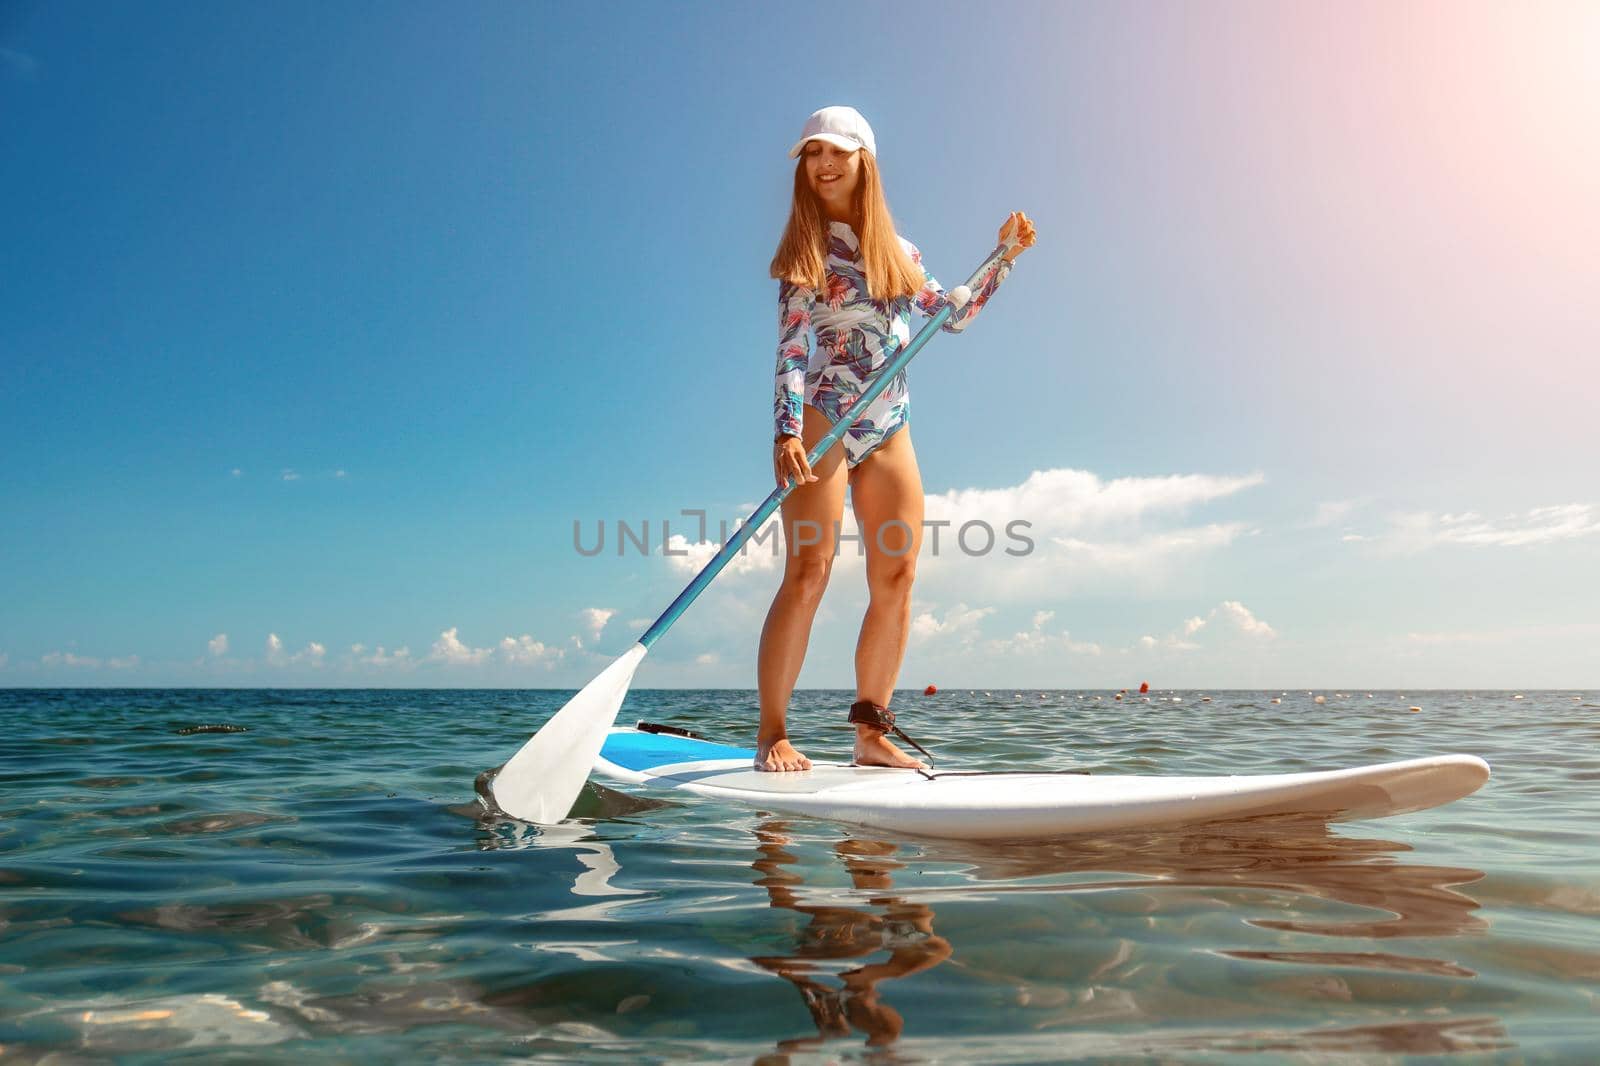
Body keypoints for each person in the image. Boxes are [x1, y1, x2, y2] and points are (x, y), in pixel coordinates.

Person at [755, 105, 1035, 772]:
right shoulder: (807, 251)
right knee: (809, 572)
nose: (824, 164)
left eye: (837, 153)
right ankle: (773, 734)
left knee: (899, 574)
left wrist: (1006, 258)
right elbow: (792, 351)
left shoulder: (902, 256)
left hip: (888, 422)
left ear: (864, 161)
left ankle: (870, 732)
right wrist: (786, 432)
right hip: (822, 416)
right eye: (813, 154)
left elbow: (954, 317)